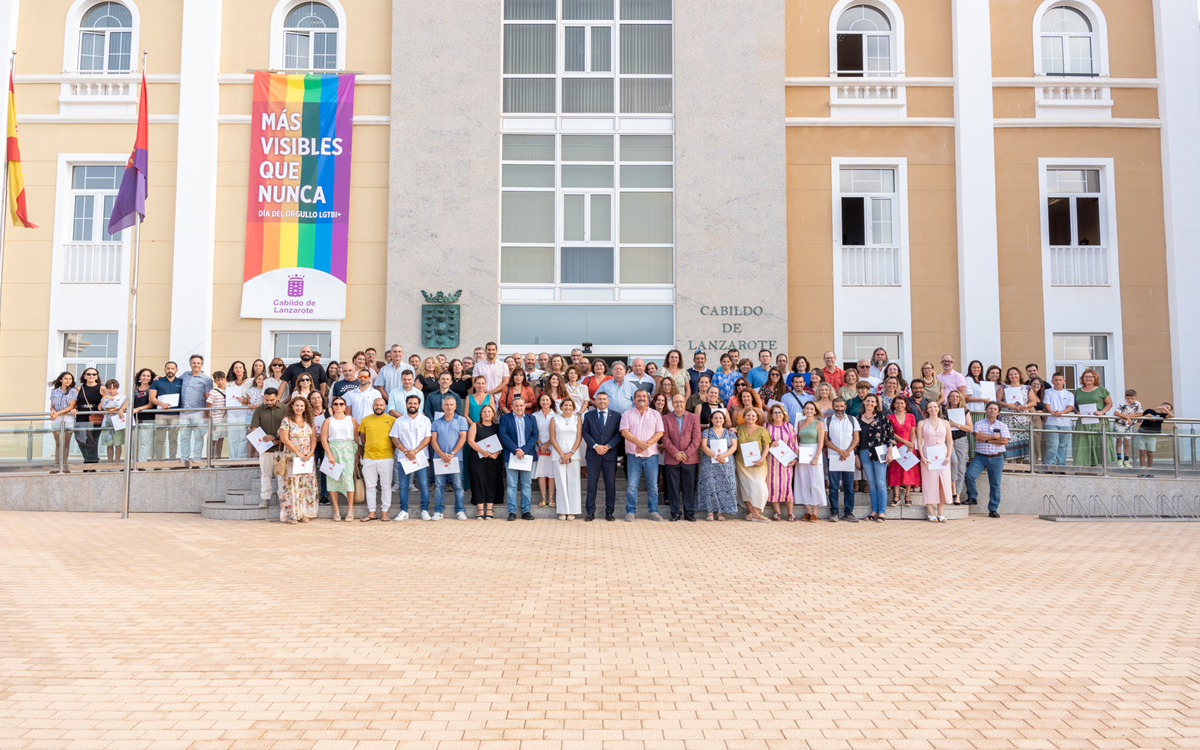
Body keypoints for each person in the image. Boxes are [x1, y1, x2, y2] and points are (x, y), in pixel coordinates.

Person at [619, 389, 665, 522]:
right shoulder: (627, 414)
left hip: (651, 455)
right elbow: (624, 432)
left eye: (644, 396)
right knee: (632, 485)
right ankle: (631, 511)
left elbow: (659, 433)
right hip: (633, 455)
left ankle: (653, 511)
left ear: (648, 399)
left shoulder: (655, 414)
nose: (641, 398)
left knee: (653, 486)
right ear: (634, 399)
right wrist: (639, 443)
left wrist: (646, 444)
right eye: (638, 396)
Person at [389, 395, 433, 520]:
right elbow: (394, 438)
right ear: (406, 404)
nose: (412, 405)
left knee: (423, 485)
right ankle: (404, 511)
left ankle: (424, 510)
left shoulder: (425, 420)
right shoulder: (399, 420)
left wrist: (416, 451)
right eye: (410, 403)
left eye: (415, 403)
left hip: (420, 457)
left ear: (419, 405)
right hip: (404, 458)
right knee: (403, 486)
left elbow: (427, 438)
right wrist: (405, 451)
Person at [278, 396, 319, 524]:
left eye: (302, 406)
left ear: (305, 407)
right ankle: (291, 515)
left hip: (307, 457)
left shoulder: (309, 421)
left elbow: (313, 439)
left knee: (305, 484)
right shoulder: (286, 421)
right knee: (292, 485)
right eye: (297, 405)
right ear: (292, 406)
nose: (299, 408)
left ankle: (304, 513)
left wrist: (311, 452)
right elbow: (284, 439)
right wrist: (298, 453)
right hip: (292, 457)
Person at [583, 392, 622, 521]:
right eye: (599, 399)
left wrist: (608, 446)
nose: (602, 401)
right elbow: (585, 432)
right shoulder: (588, 415)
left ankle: (609, 512)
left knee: (610, 484)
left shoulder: (616, 416)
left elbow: (619, 434)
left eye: (604, 399)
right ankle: (590, 512)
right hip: (593, 454)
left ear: (608, 400)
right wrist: (595, 446)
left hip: (609, 455)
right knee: (591, 484)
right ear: (595, 401)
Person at [966, 402, 1010, 516]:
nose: (992, 411)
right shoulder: (979, 423)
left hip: (997, 457)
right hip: (980, 457)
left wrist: (986, 439)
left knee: (995, 484)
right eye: (990, 408)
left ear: (998, 412)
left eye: (995, 409)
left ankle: (993, 509)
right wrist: (995, 437)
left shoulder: (1002, 425)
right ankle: (972, 497)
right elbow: (977, 436)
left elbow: (1004, 441)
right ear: (986, 410)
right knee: (969, 475)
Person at [498, 395, 538, 521]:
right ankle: (512, 511)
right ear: (512, 407)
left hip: (527, 456)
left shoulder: (532, 418)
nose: (519, 408)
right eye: (516, 406)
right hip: (511, 455)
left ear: (524, 406)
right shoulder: (505, 418)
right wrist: (516, 450)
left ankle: (526, 511)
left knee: (526, 484)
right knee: (511, 485)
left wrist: (524, 450)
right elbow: (503, 435)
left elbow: (534, 435)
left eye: (521, 405)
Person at [661, 393, 700, 522]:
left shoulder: (694, 417)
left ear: (685, 403)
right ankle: (675, 512)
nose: (679, 404)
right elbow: (665, 438)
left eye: (681, 402)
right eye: (676, 402)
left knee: (689, 486)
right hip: (672, 458)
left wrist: (686, 453)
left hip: (690, 458)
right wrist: (675, 453)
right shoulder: (666, 418)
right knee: (673, 486)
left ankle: (689, 512)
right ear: (672, 404)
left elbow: (696, 438)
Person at [430, 395, 470, 520]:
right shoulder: (436, 422)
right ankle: (438, 510)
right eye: (446, 405)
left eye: (451, 405)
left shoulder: (462, 420)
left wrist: (452, 453)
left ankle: (460, 510)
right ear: (442, 407)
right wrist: (442, 454)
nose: (449, 407)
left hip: (456, 458)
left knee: (458, 485)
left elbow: (463, 438)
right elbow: (433, 440)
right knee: (439, 486)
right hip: (439, 458)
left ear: (455, 406)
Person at [319, 396, 357, 521]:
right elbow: (324, 439)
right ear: (332, 406)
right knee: (332, 479)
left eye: (341, 404)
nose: (339, 406)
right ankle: (336, 509)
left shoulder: (351, 419)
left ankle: (350, 509)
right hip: (333, 451)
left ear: (345, 407)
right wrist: (329, 454)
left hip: (348, 451)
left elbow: (356, 438)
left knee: (348, 479)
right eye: (336, 404)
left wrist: (357, 454)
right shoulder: (328, 421)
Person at [856, 394, 893, 522]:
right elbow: (856, 439)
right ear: (864, 402)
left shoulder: (882, 417)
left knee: (881, 482)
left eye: (873, 401)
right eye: (868, 401)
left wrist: (890, 452)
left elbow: (890, 436)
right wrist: (856, 455)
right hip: (864, 452)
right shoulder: (857, 418)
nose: (870, 403)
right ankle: (874, 510)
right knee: (871, 482)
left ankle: (882, 512)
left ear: (876, 403)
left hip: (880, 451)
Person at [915, 401, 953, 522]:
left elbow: (950, 441)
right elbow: (919, 441)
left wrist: (948, 456)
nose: (933, 409)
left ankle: (941, 513)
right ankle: (930, 512)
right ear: (927, 409)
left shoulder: (945, 423)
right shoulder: (921, 423)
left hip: (942, 455)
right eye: (930, 407)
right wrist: (922, 456)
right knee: (929, 483)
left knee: (942, 483)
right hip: (928, 455)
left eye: (935, 407)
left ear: (938, 408)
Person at [248, 387, 286, 508]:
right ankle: (265, 498)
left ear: (277, 398)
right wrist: (268, 440)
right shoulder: (259, 410)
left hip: (282, 447)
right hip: (265, 448)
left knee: (281, 474)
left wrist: (275, 438)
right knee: (265, 473)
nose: (269, 402)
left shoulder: (285, 409)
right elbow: (254, 428)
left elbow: (288, 427)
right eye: (267, 400)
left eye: (272, 400)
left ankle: (282, 498)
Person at [698, 409, 738, 521]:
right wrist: (716, 456)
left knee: (725, 486)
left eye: (720, 418)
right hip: (709, 463)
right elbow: (703, 446)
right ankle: (710, 512)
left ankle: (721, 512)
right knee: (710, 486)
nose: (718, 420)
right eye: (715, 418)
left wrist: (724, 456)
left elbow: (734, 446)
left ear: (724, 420)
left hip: (726, 463)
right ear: (711, 420)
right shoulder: (707, 432)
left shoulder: (730, 432)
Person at [823, 397, 859, 522]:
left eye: (841, 406)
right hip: (834, 457)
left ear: (845, 407)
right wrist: (840, 451)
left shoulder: (852, 419)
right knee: (833, 487)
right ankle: (834, 512)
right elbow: (826, 440)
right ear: (833, 407)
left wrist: (847, 452)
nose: (839, 409)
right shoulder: (827, 420)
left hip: (848, 457)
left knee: (849, 486)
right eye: (837, 406)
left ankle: (848, 512)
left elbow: (856, 438)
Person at [734, 406, 772, 522]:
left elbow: (766, 446)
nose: (750, 417)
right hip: (742, 463)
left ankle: (757, 512)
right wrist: (731, 431)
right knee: (745, 487)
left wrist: (761, 459)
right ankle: (751, 512)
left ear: (757, 418)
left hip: (758, 463)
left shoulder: (762, 430)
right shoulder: (738, 429)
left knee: (759, 486)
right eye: (748, 415)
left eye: (753, 416)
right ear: (744, 417)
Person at [1071, 368, 1114, 468]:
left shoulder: (1102, 390)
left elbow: (1109, 403)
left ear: (1095, 378)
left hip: (1098, 422)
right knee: (1083, 444)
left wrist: (1102, 412)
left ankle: (1096, 468)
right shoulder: (1077, 392)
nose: (1088, 378)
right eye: (1086, 376)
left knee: (1097, 444)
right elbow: (1073, 406)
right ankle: (1084, 468)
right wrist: (1076, 412)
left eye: (1091, 376)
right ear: (1082, 378)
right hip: (1083, 422)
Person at [549, 396, 583, 520]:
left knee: (574, 482)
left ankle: (573, 510)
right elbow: (552, 438)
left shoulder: (577, 419)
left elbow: (579, 437)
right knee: (561, 482)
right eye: (565, 405)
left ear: (573, 408)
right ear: (561, 407)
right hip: (558, 455)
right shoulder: (554, 419)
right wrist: (562, 454)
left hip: (574, 455)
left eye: (570, 406)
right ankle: (563, 511)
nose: (568, 407)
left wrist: (570, 453)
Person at [467, 403, 504, 518]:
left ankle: (489, 509)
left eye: (489, 411)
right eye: (484, 412)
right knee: (478, 483)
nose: (487, 413)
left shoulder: (498, 426)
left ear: (493, 414)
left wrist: (497, 452)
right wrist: (483, 452)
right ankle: (480, 509)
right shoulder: (475, 425)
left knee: (491, 482)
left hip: (493, 460)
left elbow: (502, 441)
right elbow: (470, 441)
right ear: (481, 414)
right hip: (477, 460)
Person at [792, 401, 828, 522]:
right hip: (802, 453)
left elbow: (821, 442)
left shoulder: (819, 423)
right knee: (803, 481)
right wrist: (797, 452)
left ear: (815, 411)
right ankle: (808, 510)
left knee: (815, 481)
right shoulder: (799, 423)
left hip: (814, 453)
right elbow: (797, 440)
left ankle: (815, 512)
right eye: (807, 408)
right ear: (804, 410)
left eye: (811, 409)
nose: (809, 411)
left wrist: (816, 457)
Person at [178, 356, 213, 467]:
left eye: (198, 363)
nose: (196, 365)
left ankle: (196, 460)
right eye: (194, 363)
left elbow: (209, 397)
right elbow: (172, 381)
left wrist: (207, 414)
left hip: (199, 412)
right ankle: (184, 460)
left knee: (199, 437)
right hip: (184, 411)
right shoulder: (184, 375)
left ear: (201, 365)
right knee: (184, 437)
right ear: (190, 364)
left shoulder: (207, 379)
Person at [764, 404, 797, 521]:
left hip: (786, 462)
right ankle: (777, 513)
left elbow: (795, 444)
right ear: (771, 415)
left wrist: (795, 458)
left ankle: (790, 513)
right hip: (771, 462)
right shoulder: (766, 426)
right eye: (775, 412)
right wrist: (770, 443)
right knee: (773, 486)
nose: (777, 414)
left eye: (780, 412)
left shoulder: (789, 427)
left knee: (786, 485)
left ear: (783, 414)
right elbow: (762, 443)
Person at [998, 366, 1037, 463]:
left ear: (1019, 375)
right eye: (1010, 374)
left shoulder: (1027, 388)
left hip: (1023, 421)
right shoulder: (1004, 387)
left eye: (1015, 374)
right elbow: (998, 401)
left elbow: (1033, 402)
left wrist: (1024, 406)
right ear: (1008, 376)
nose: (1013, 376)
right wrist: (1008, 405)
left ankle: (1020, 466)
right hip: (1008, 420)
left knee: (1022, 444)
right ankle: (1010, 466)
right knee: (1009, 442)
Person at [887, 395, 919, 507]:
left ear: (906, 404)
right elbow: (891, 433)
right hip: (896, 446)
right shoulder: (890, 417)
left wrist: (911, 444)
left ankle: (907, 495)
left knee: (908, 470)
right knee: (895, 471)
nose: (900, 405)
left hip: (909, 446)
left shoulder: (911, 416)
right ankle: (896, 496)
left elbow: (913, 431)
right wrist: (905, 442)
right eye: (897, 403)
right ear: (894, 405)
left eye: (902, 403)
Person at [943, 389, 973, 502]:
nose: (955, 398)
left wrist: (956, 425)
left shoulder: (965, 411)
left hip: (961, 440)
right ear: (949, 398)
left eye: (957, 396)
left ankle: (957, 495)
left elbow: (970, 428)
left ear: (960, 399)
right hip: (948, 440)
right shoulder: (944, 412)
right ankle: (952, 488)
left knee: (961, 468)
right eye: (952, 396)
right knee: (953, 462)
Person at [1042, 372, 1076, 468]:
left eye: (1060, 380)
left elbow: (1070, 407)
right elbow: (1047, 405)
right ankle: (1049, 464)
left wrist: (1061, 413)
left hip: (1065, 423)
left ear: (1064, 381)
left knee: (1063, 445)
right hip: (1051, 422)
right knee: (1053, 444)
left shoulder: (1069, 394)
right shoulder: (1048, 392)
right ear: (1052, 381)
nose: (1058, 382)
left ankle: (1061, 465)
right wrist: (1052, 412)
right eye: (1056, 380)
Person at [149, 362, 182, 461]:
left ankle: (172, 460)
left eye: (172, 368)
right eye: (168, 368)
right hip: (160, 414)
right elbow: (151, 397)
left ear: (176, 370)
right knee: (159, 439)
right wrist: (161, 404)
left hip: (175, 414)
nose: (170, 370)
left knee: (173, 439)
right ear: (164, 369)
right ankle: (158, 461)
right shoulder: (157, 382)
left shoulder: (181, 382)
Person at [74, 367, 104, 470]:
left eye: (94, 374)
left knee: (93, 440)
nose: (91, 376)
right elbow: (75, 403)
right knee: (80, 439)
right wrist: (73, 409)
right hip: (81, 416)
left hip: (95, 416)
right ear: (84, 376)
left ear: (97, 376)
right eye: (89, 374)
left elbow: (105, 402)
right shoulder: (79, 388)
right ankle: (89, 459)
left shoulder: (101, 388)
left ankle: (91, 464)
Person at [48, 371, 78, 472]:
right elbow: (52, 405)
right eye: (66, 378)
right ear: (61, 380)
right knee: (58, 443)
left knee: (65, 443)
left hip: (68, 419)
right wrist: (53, 411)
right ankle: (56, 466)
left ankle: (64, 465)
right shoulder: (54, 391)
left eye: (70, 379)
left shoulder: (73, 391)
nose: (68, 381)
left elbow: (71, 406)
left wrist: (57, 413)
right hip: (56, 419)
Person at [532, 392, 558, 508]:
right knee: (541, 473)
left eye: (547, 400)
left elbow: (558, 432)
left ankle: (551, 498)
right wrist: (541, 444)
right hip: (539, 447)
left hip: (553, 446)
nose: (545, 402)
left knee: (552, 473)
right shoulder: (534, 415)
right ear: (539, 402)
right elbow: (532, 432)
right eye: (542, 400)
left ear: (551, 402)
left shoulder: (557, 415)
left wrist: (548, 443)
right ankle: (543, 498)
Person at [1135, 401, 1174, 477]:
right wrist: (1146, 416)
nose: (1167, 410)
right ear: (1161, 405)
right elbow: (1138, 420)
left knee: (1150, 453)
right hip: (1142, 433)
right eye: (1167, 407)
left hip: (1152, 435)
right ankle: (1142, 470)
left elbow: (1172, 416)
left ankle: (1149, 470)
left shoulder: (1163, 415)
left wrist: (1164, 409)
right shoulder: (1149, 410)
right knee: (1142, 452)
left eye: (1169, 409)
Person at [129, 368, 156, 464]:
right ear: (139, 377)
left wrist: (138, 409)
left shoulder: (152, 389)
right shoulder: (135, 389)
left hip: (147, 419)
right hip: (133, 419)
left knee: (144, 443)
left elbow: (151, 404)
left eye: (148, 376)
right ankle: (132, 463)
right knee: (132, 443)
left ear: (151, 378)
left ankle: (141, 463)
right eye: (143, 375)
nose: (145, 377)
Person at [99, 378, 127, 464]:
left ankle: (117, 462)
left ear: (117, 388)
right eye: (109, 389)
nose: (111, 391)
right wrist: (105, 398)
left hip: (118, 422)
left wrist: (116, 409)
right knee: (109, 444)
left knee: (118, 443)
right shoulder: (105, 397)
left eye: (113, 388)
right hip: (107, 421)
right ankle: (110, 463)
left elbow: (124, 406)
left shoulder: (122, 397)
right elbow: (99, 408)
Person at [1113, 389, 1142, 468]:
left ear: (1135, 398)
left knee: (1127, 443)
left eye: (1132, 398)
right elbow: (1116, 412)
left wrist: (1130, 416)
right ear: (1125, 397)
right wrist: (1126, 417)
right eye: (1128, 398)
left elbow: (1140, 413)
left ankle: (1126, 460)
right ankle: (1119, 459)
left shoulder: (1137, 404)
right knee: (1119, 442)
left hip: (1129, 426)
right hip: (1119, 424)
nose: (1130, 400)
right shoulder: (1123, 404)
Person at [205, 371, 228, 460]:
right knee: (213, 440)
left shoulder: (228, 391)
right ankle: (210, 458)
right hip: (215, 419)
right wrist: (210, 420)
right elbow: (208, 405)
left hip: (224, 419)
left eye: (222, 380)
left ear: (225, 379)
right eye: (218, 380)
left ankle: (218, 457)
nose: (220, 382)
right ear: (215, 381)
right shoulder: (213, 392)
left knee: (221, 439)